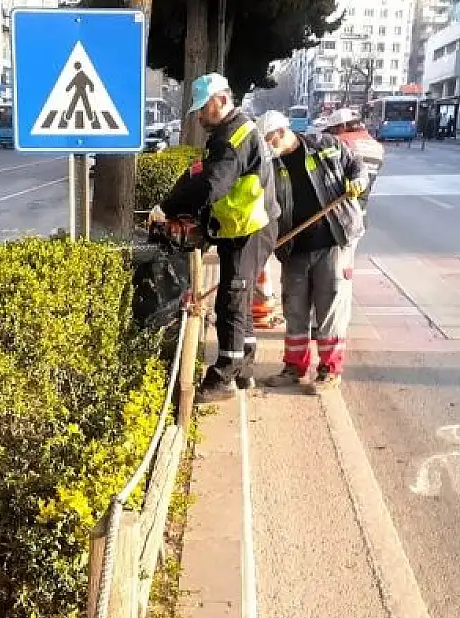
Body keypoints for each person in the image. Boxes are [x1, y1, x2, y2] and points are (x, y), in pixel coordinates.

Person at [150, 72, 280, 403]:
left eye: (202, 109)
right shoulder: (233, 131)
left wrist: (171, 209)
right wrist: (170, 201)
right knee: (241, 296)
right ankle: (245, 369)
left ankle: (223, 376)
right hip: (249, 226)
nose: (198, 117)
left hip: (249, 228)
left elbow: (212, 185)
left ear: (220, 100)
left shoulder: (232, 137)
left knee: (232, 300)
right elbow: (202, 175)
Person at [254, 109, 368, 393]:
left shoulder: (326, 146)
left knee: (330, 308)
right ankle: (294, 367)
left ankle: (329, 370)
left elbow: (357, 167)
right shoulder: (271, 167)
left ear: (281, 132)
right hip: (294, 248)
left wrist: (358, 181)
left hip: (333, 241)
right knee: (295, 309)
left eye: (270, 140)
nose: (268, 147)